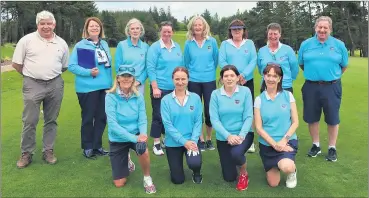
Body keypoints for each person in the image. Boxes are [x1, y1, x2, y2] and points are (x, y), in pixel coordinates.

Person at [12, 10, 69, 168]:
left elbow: (64, 66)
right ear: (38, 24)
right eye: (42, 23)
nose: (46, 26)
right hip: (32, 84)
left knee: (51, 120)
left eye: (49, 23)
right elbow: (16, 64)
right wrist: (32, 75)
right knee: (30, 120)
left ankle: (48, 151)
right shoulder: (27, 40)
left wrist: (49, 75)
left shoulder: (62, 43)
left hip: (55, 84)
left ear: (54, 24)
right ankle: (26, 153)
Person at [298, 16, 348, 162]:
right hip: (311, 86)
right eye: (320, 27)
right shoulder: (306, 44)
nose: (322, 30)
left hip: (332, 86)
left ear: (330, 29)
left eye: (325, 28)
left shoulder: (339, 45)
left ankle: (332, 148)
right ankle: (316, 145)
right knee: (312, 117)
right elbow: (302, 64)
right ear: (315, 28)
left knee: (332, 118)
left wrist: (332, 76)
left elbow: (343, 65)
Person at [105, 65, 156, 194]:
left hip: (135, 134)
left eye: (129, 76)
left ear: (133, 79)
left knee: (143, 150)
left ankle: (147, 178)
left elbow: (142, 119)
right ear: (118, 79)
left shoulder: (138, 96)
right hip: (117, 138)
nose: (126, 79)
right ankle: (126, 158)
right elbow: (113, 125)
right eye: (123, 76)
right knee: (119, 183)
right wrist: (134, 138)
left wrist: (143, 135)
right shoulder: (110, 97)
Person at [69, 17, 112, 159]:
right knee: (88, 118)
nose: (94, 28)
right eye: (91, 26)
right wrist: (88, 72)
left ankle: (97, 146)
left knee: (101, 118)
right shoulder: (80, 46)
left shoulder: (104, 44)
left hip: (104, 88)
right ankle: (87, 147)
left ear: (100, 29)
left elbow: (108, 67)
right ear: (86, 29)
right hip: (87, 88)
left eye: (97, 26)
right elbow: (72, 66)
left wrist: (110, 85)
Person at [254, 63, 299, 188]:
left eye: (275, 76)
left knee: (287, 167)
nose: (271, 79)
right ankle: (276, 165)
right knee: (273, 184)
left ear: (279, 79)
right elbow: (258, 127)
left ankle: (292, 172)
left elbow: (295, 122)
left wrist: (283, 141)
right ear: (264, 76)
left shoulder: (288, 95)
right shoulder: (259, 99)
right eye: (268, 75)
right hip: (268, 145)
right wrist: (275, 144)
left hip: (287, 141)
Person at [209, 65, 253, 191]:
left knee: (236, 153)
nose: (229, 78)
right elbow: (214, 119)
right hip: (224, 137)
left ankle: (244, 172)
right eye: (226, 76)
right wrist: (228, 136)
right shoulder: (215, 94)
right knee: (229, 177)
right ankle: (235, 160)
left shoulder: (245, 92)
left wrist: (241, 136)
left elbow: (249, 116)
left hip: (243, 134)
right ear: (222, 79)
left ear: (238, 78)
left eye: (232, 75)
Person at [218, 19, 257, 153]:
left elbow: (253, 60)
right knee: (231, 107)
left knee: (248, 109)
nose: (237, 31)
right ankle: (229, 135)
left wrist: (243, 75)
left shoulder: (249, 43)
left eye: (239, 29)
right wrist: (233, 76)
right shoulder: (225, 44)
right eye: (234, 29)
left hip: (246, 81)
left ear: (243, 30)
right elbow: (222, 60)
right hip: (230, 81)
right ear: (230, 31)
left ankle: (249, 140)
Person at [147, 21, 184, 156]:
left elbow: (182, 67)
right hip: (160, 88)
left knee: (171, 116)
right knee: (158, 115)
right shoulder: (155, 48)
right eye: (164, 31)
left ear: (172, 32)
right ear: (160, 32)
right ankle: (156, 143)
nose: (167, 34)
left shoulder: (177, 47)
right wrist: (155, 87)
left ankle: (166, 139)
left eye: (169, 31)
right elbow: (151, 68)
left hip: (175, 88)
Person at [161, 67, 203, 184]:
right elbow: (167, 125)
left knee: (195, 163)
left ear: (188, 79)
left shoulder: (195, 98)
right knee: (178, 180)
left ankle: (197, 172)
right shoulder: (165, 100)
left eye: (183, 79)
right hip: (173, 142)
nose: (180, 82)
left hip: (192, 140)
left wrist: (193, 141)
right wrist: (184, 142)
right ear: (172, 80)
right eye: (177, 79)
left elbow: (198, 121)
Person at [184, 15, 218, 151]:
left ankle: (209, 138)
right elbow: (186, 62)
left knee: (209, 111)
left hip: (209, 80)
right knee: (196, 111)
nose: (197, 27)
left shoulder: (212, 42)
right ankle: (200, 139)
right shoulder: (188, 43)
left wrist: (208, 72)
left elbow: (215, 61)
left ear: (204, 26)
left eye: (200, 25)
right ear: (192, 27)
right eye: (195, 25)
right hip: (193, 81)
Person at [257, 23, 299, 93]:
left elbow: (294, 69)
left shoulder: (288, 50)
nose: (273, 36)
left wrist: (287, 80)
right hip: (266, 86)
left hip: (285, 87)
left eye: (275, 34)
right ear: (267, 34)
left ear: (280, 34)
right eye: (270, 34)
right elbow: (260, 69)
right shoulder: (261, 51)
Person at [115, 18, 149, 95]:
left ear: (141, 31)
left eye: (137, 28)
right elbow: (118, 66)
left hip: (138, 85)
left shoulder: (146, 47)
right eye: (132, 28)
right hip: (124, 83)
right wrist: (125, 81)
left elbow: (147, 68)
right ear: (128, 31)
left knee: (138, 106)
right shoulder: (121, 45)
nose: (135, 31)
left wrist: (139, 81)